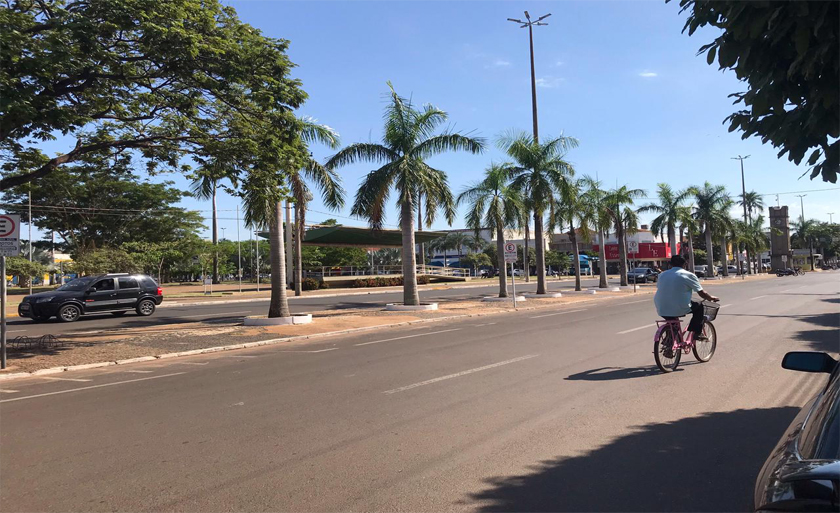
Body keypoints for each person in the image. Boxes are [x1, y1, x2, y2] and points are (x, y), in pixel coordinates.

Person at [654, 254, 719, 343]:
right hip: (680, 307)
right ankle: (696, 332)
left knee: (672, 321)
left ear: (670, 264)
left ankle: (669, 341)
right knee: (699, 306)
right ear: (685, 264)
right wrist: (711, 298)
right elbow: (701, 293)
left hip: (661, 307)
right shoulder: (689, 275)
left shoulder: (662, 275)